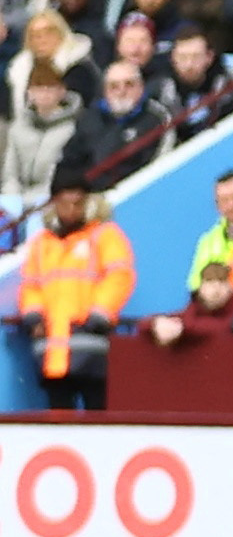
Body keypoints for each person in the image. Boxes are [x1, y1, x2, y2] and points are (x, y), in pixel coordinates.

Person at [13, 150, 132, 411]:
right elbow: (30, 284)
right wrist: (34, 315)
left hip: (92, 345)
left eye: (77, 202)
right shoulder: (42, 244)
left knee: (98, 414)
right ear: (55, 203)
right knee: (58, 416)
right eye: (65, 202)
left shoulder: (104, 236)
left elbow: (120, 276)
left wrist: (99, 314)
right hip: (51, 349)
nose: (71, 209)